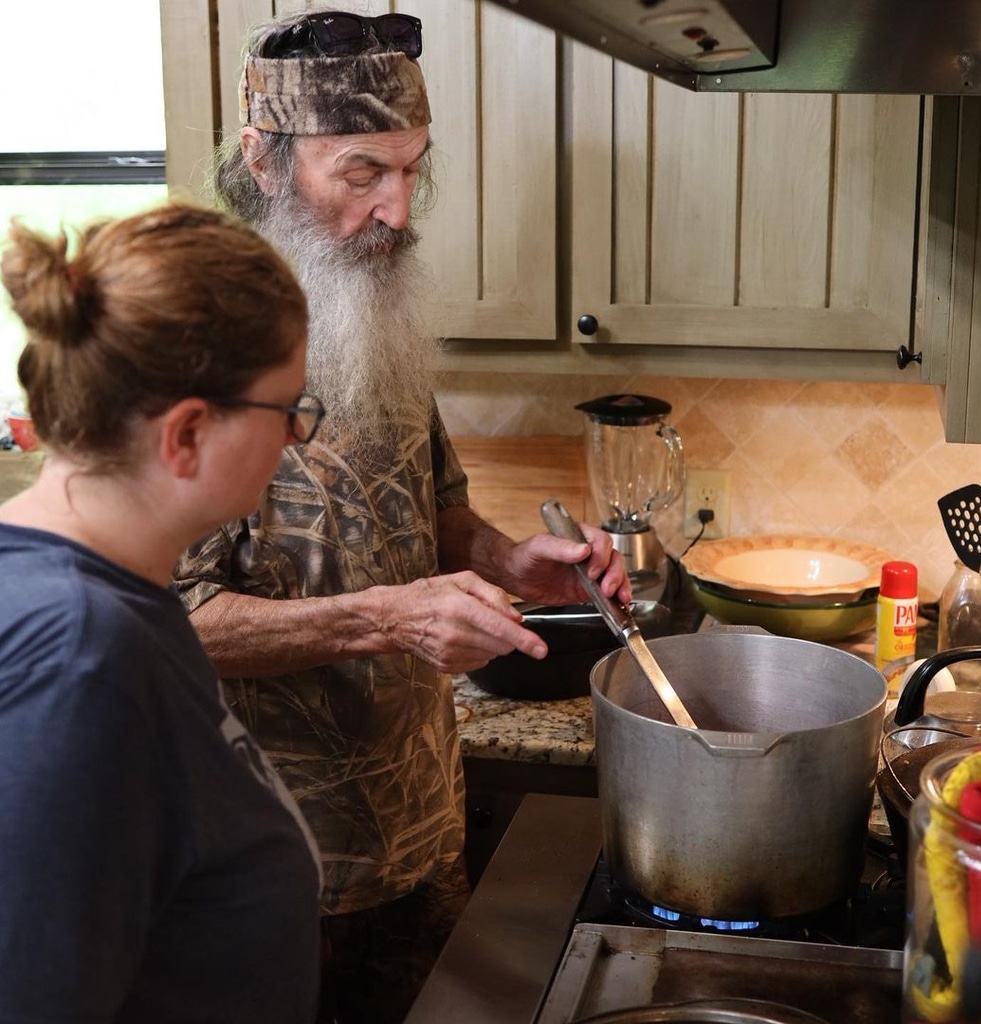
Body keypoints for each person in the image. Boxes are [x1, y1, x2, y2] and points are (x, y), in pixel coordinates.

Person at [172, 9, 630, 1023]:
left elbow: (431, 507)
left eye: (413, 169)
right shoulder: (183, 349)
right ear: (265, 159)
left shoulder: (362, 300)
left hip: (423, 838)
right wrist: (386, 617)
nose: (397, 210)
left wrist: (514, 558)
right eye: (363, 173)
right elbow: (165, 621)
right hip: (268, 876)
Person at [0, 201, 324, 1023]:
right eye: (285, 406)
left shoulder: (118, 598)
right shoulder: (83, 659)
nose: (296, 434)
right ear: (185, 434)